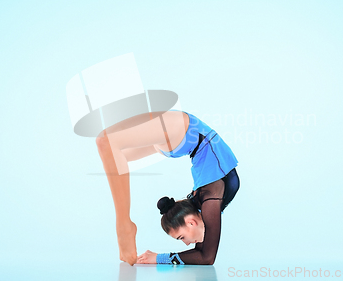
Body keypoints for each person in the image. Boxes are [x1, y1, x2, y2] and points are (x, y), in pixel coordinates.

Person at [95, 110, 239, 265]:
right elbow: (207, 258)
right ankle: (124, 225)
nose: (186, 243)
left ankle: (124, 225)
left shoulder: (204, 203)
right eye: (182, 237)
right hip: (181, 129)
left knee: (111, 151)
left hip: (179, 139)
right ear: (191, 222)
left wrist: (157, 257)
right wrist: (158, 258)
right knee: (106, 142)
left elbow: (202, 253)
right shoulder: (210, 200)